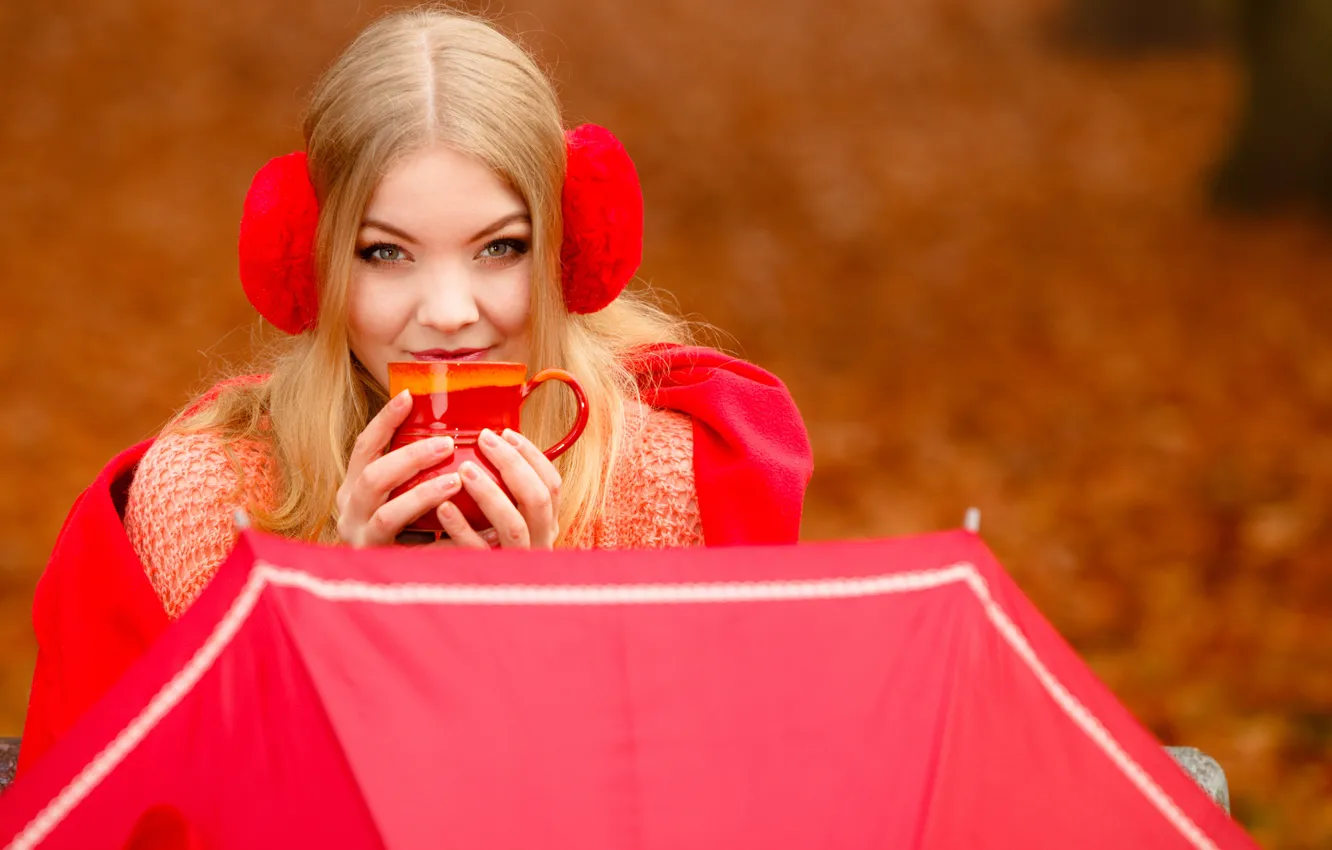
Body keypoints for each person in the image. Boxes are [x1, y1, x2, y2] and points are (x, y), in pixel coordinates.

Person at [18, 8, 811, 774]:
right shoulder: (205, 506)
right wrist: (340, 624)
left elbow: (712, 803)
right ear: (313, 265)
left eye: (500, 248)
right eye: (386, 254)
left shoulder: (675, 487)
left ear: (565, 252)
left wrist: (549, 634)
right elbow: (161, 817)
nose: (448, 313)